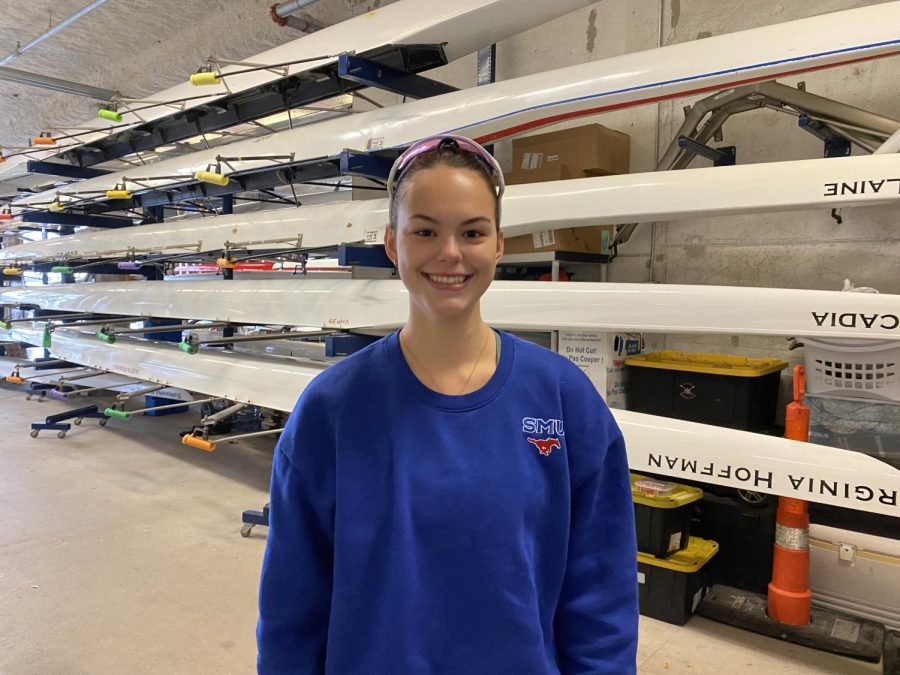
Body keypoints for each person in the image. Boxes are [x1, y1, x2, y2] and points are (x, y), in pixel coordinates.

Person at [257, 135, 639, 674]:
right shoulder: (332, 410)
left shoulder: (562, 398)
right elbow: (291, 605)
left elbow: (601, 591)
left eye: (473, 232)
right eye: (425, 231)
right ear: (393, 243)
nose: (451, 253)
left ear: (499, 245)